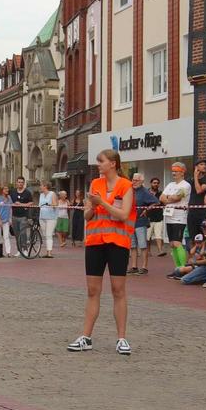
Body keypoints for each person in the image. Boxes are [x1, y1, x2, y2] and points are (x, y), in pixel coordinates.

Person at [69, 147, 134, 354]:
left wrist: (102, 203)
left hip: (117, 242)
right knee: (92, 291)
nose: (98, 165)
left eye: (101, 161)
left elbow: (124, 214)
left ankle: (122, 338)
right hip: (95, 241)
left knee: (118, 290)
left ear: (113, 163)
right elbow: (88, 216)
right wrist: (91, 207)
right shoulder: (95, 184)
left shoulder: (126, 185)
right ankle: (86, 337)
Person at [159, 161, 190, 272]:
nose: (174, 173)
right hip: (168, 216)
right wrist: (169, 198)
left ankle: (182, 267)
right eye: (172, 171)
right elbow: (161, 198)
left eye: (176, 171)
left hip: (179, 216)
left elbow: (177, 197)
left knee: (177, 243)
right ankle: (177, 268)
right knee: (172, 244)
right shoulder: (170, 185)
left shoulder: (186, 185)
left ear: (182, 172)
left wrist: (168, 198)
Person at [128, 172, 156, 274]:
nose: (134, 182)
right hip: (130, 222)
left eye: (136, 180)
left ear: (141, 181)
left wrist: (147, 210)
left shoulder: (144, 191)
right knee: (132, 245)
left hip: (140, 222)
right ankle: (134, 266)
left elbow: (155, 202)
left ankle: (144, 267)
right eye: (133, 180)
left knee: (143, 245)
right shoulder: (129, 190)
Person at [37, 181, 58, 257]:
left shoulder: (52, 194)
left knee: (49, 234)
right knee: (45, 235)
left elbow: (55, 204)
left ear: (45, 186)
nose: (40, 187)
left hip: (51, 218)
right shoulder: (41, 195)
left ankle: (49, 252)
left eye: (41, 185)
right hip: (42, 217)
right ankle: (47, 251)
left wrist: (50, 204)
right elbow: (39, 206)